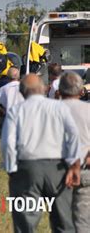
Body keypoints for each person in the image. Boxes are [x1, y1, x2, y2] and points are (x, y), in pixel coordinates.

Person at [0, 74, 81, 233]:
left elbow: (7, 143)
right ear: (44, 88)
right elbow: (73, 135)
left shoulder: (16, 111)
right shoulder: (59, 107)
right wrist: (74, 165)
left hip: (27, 169)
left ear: (22, 93)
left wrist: (11, 168)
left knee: (25, 223)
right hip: (58, 169)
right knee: (64, 222)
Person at [59, 71, 90, 232]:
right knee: (82, 221)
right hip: (85, 170)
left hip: (57, 172)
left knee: (61, 222)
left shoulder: (50, 110)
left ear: (59, 91)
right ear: (81, 91)